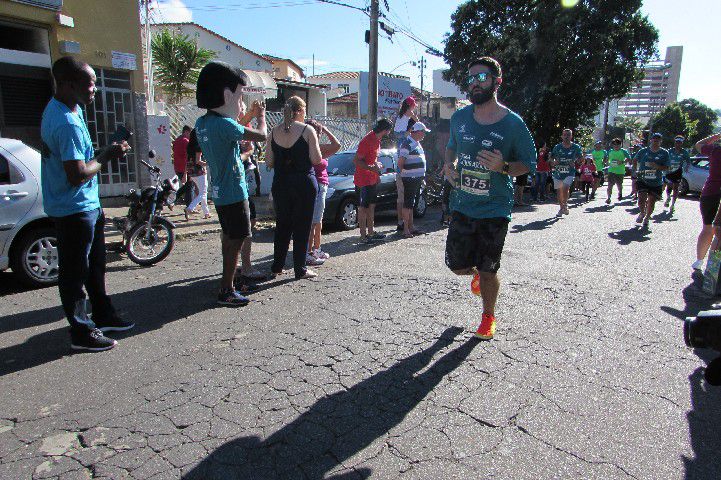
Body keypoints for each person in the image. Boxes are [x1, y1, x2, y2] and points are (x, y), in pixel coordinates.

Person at [41, 56, 132, 351]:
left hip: (88, 206)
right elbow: (77, 174)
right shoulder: (65, 121)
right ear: (68, 84)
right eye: (89, 83)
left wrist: (107, 151)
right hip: (73, 209)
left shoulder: (71, 108)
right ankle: (81, 331)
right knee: (74, 272)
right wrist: (107, 155)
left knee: (95, 265)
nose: (95, 89)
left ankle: (103, 314)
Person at [443, 57, 536, 340]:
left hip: (495, 208)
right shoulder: (459, 118)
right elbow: (451, 149)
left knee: (489, 268)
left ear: (497, 80)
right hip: (462, 203)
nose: (474, 83)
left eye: (481, 77)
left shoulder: (513, 124)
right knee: (456, 265)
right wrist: (449, 166)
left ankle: (488, 316)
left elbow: (529, 163)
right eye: (470, 78)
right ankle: (475, 276)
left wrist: (504, 167)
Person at [194, 61, 267, 306]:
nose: (240, 104)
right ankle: (227, 288)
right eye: (239, 98)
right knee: (236, 240)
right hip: (235, 192)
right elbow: (262, 136)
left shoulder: (203, 124)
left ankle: (229, 283)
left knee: (228, 238)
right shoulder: (224, 125)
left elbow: (233, 143)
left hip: (219, 192)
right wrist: (261, 117)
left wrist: (247, 116)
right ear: (226, 95)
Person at [265, 96, 323, 279]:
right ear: (299, 111)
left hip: (281, 183)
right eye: (304, 110)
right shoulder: (308, 130)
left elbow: (269, 162)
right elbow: (316, 160)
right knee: (302, 227)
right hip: (303, 183)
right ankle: (300, 269)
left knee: (282, 225)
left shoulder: (273, 132)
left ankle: (277, 266)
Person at [306, 118, 341, 263]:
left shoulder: (317, 147)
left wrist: (325, 129)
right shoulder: (310, 148)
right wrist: (323, 130)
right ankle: (308, 252)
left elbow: (337, 145)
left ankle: (316, 249)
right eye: (318, 133)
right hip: (317, 185)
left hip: (322, 185)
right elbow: (336, 145)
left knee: (318, 220)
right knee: (312, 221)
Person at [354, 119, 393, 244]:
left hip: (372, 178)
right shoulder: (367, 140)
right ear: (385, 130)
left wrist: (377, 172)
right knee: (362, 208)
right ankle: (362, 236)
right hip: (362, 180)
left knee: (371, 206)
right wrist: (371, 167)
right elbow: (357, 160)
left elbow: (372, 159)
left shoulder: (377, 140)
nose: (389, 133)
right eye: (389, 130)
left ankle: (371, 232)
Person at [692, 132, 721, 270]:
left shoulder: (715, 150)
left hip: (710, 193)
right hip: (713, 193)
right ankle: (713, 270)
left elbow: (699, 145)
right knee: (718, 231)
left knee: (708, 228)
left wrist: (717, 135)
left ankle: (699, 261)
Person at [398, 121, 430, 237]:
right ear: (417, 132)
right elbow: (400, 162)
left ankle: (411, 227)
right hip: (410, 178)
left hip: (416, 178)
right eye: (423, 132)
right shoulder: (407, 143)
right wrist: (406, 173)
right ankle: (405, 229)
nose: (424, 135)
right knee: (408, 203)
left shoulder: (416, 143)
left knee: (412, 204)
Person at [633, 132, 669, 229]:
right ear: (651, 140)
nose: (656, 141)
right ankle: (642, 212)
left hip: (656, 181)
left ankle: (647, 218)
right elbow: (635, 159)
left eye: (658, 139)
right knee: (641, 199)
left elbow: (667, 167)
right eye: (654, 139)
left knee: (651, 201)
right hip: (642, 179)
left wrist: (657, 166)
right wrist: (635, 170)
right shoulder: (643, 151)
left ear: (661, 141)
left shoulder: (664, 153)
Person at [549, 128, 583, 217]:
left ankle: (565, 204)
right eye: (565, 135)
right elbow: (551, 158)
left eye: (568, 135)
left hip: (569, 171)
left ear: (571, 136)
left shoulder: (576, 147)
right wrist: (554, 162)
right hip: (558, 172)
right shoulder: (557, 147)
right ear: (562, 136)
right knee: (559, 190)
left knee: (565, 187)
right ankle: (562, 207)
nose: (566, 137)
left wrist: (575, 162)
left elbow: (581, 159)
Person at [184, 129, 211, 220]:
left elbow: (188, 159)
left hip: (191, 171)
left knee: (202, 192)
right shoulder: (199, 146)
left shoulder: (189, 146)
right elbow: (198, 161)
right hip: (199, 171)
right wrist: (208, 163)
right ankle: (190, 208)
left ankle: (206, 213)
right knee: (203, 192)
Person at [395, 118, 415, 232]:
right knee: (404, 199)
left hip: (405, 173)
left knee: (404, 199)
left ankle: (404, 223)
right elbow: (401, 160)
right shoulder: (406, 141)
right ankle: (404, 224)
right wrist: (402, 172)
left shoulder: (405, 140)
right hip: (404, 173)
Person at [664, 135, 691, 214]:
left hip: (678, 171)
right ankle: (668, 197)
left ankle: (673, 205)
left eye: (679, 143)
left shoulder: (684, 152)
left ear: (682, 143)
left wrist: (686, 167)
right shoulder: (670, 151)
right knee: (669, 186)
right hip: (669, 171)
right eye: (676, 142)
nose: (678, 144)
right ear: (674, 143)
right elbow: (665, 159)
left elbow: (688, 161)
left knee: (676, 188)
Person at [173, 125, 194, 208]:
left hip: (177, 167)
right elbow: (187, 158)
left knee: (186, 186)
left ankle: (172, 200)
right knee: (189, 187)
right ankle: (189, 207)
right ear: (186, 132)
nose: (191, 135)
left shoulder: (176, 140)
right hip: (184, 168)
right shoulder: (186, 141)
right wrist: (186, 171)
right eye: (190, 133)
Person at [606, 138, 631, 204]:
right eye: (614, 144)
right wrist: (607, 162)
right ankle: (608, 198)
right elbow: (607, 159)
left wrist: (622, 162)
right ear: (612, 145)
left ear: (620, 145)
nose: (616, 146)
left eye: (618, 144)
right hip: (611, 170)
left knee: (619, 184)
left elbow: (629, 158)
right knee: (610, 185)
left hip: (620, 171)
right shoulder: (610, 151)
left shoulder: (623, 151)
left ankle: (620, 193)